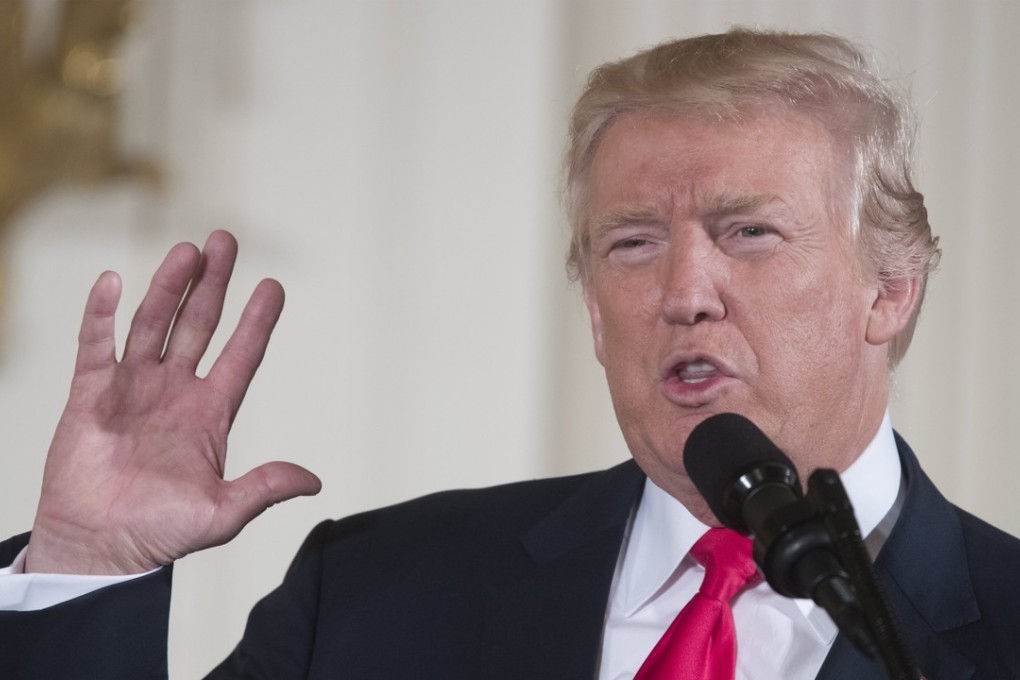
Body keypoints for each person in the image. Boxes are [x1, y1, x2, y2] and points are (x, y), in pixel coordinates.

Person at [1, 27, 1019, 680]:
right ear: (591, 305)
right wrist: (87, 568)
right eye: (632, 243)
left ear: (890, 287)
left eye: (748, 231)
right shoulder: (371, 597)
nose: (682, 293)